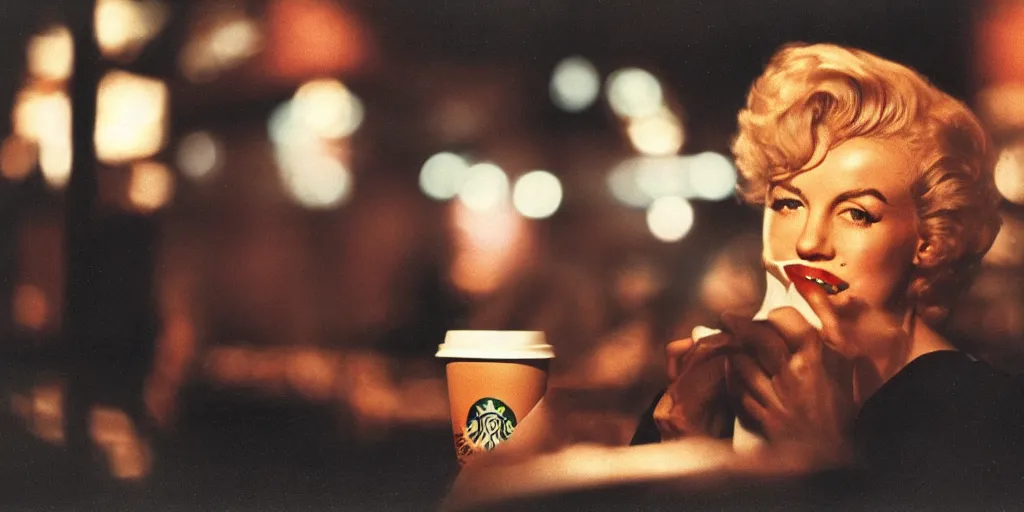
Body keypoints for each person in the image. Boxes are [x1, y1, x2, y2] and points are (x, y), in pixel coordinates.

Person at [632, 42, 1024, 500]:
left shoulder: (993, 420)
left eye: (857, 213)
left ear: (931, 240)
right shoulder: (704, 396)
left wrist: (816, 468)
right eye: (788, 204)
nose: (808, 242)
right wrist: (687, 456)